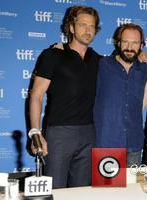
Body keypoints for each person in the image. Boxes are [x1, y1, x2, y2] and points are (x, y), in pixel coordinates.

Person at [29, 6, 101, 188]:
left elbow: (125, 62)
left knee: (81, 192)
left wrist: (143, 56)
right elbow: (36, 96)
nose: (88, 30)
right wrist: (36, 133)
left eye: (92, 26)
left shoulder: (99, 60)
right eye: (83, 25)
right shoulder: (53, 55)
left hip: (89, 133)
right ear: (71, 27)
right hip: (59, 133)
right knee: (55, 190)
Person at [93, 23, 147, 167]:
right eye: (126, 41)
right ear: (118, 42)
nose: (129, 47)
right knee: (108, 188)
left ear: (141, 45)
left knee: (132, 189)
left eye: (135, 43)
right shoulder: (101, 65)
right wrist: (60, 47)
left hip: (134, 142)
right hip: (106, 143)